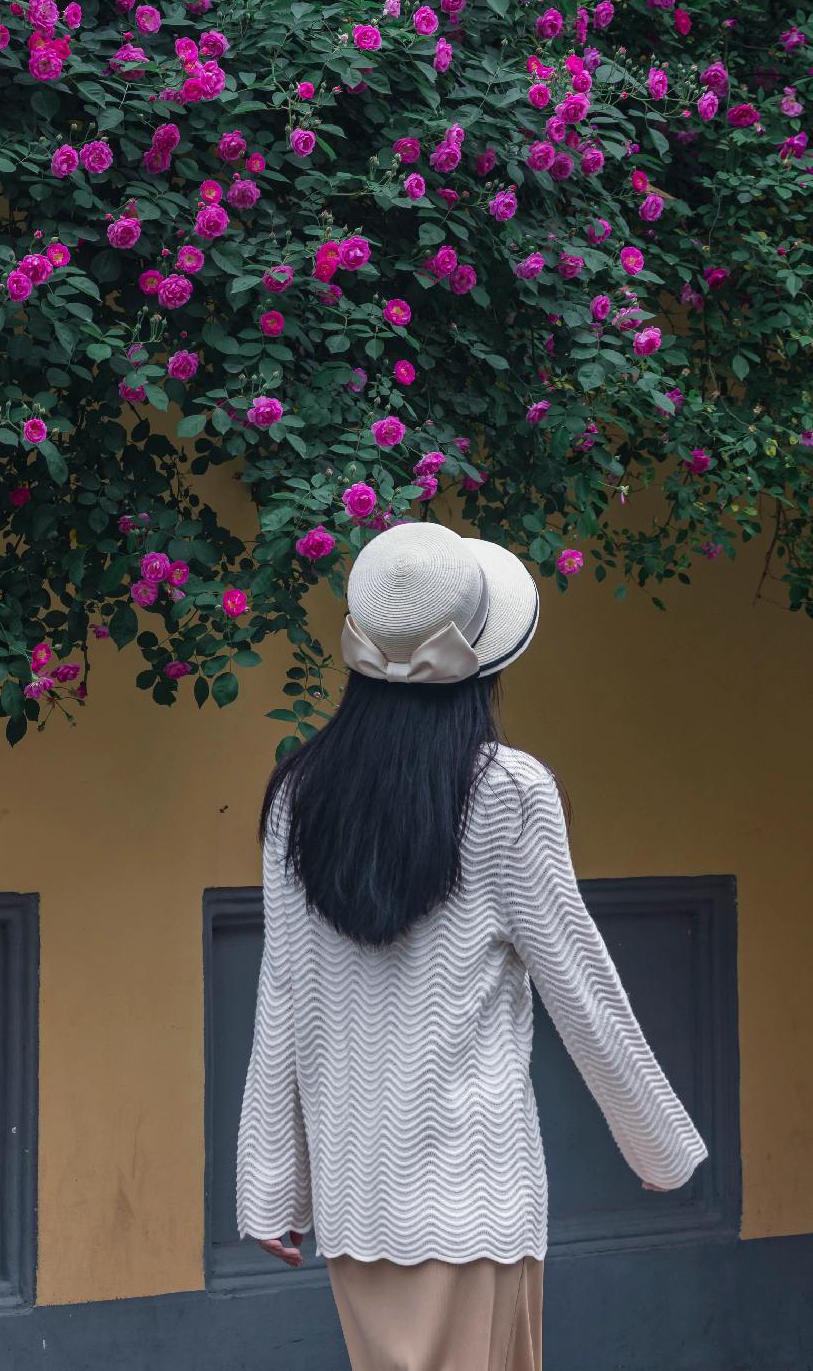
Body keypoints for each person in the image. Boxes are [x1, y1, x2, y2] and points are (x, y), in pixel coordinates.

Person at [235, 520, 706, 1371]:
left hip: (358, 1207)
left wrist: (271, 1184)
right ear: (484, 659)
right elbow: (582, 988)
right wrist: (658, 1148)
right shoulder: (505, 793)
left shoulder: (296, 795)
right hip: (472, 1200)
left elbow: (284, 993)